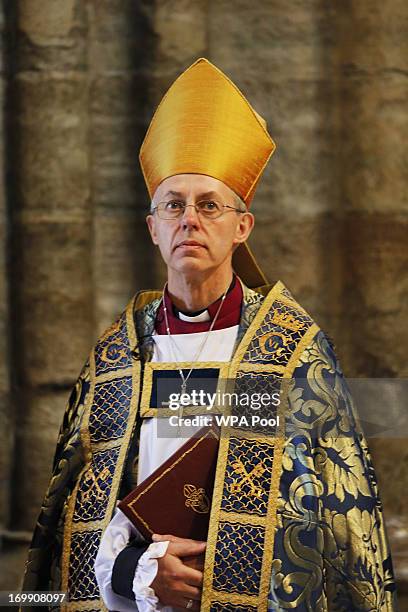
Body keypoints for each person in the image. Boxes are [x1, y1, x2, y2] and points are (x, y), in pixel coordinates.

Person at [22, 58, 398, 611]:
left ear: (242, 226)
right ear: (153, 228)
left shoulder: (293, 352)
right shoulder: (116, 358)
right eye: (173, 206)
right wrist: (135, 572)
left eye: (209, 205)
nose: (189, 221)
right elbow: (78, 513)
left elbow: (338, 526)